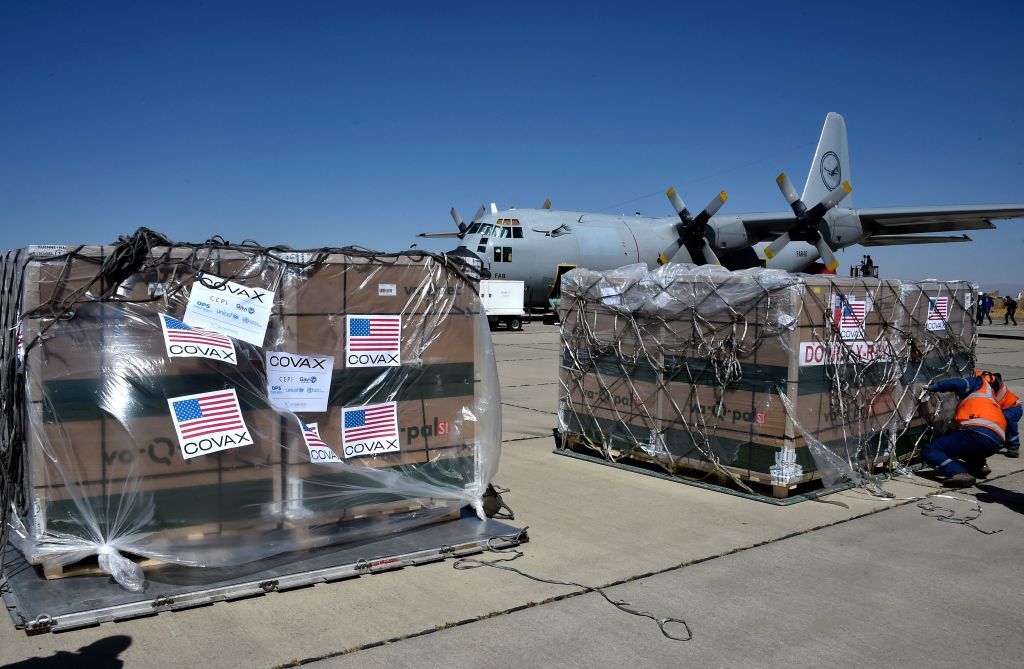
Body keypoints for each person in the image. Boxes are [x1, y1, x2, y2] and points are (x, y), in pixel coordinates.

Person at [922, 371, 1008, 487]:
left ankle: (958, 472)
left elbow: (958, 383)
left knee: (930, 450)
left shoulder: (979, 382)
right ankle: (978, 467)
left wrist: (934, 387)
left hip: (977, 432)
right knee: (966, 445)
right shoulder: (990, 398)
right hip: (996, 441)